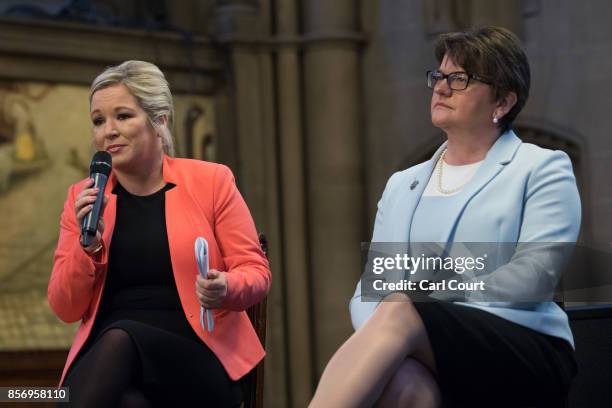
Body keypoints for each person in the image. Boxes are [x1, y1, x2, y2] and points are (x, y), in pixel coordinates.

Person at [310, 26, 580, 407]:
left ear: (502, 102)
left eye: (459, 79)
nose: (440, 88)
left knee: (402, 309)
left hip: (522, 345)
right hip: (423, 340)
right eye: (438, 76)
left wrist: (428, 302)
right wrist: (393, 334)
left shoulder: (540, 168)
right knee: (403, 382)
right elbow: (371, 286)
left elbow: (534, 276)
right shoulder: (402, 183)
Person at [48, 60, 271, 407]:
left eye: (123, 116)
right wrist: (87, 246)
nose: (108, 131)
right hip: (115, 363)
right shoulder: (83, 198)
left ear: (159, 120)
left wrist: (225, 286)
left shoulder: (211, 181)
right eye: (98, 120)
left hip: (198, 352)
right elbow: (65, 307)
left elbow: (257, 273)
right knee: (128, 401)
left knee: (120, 340)